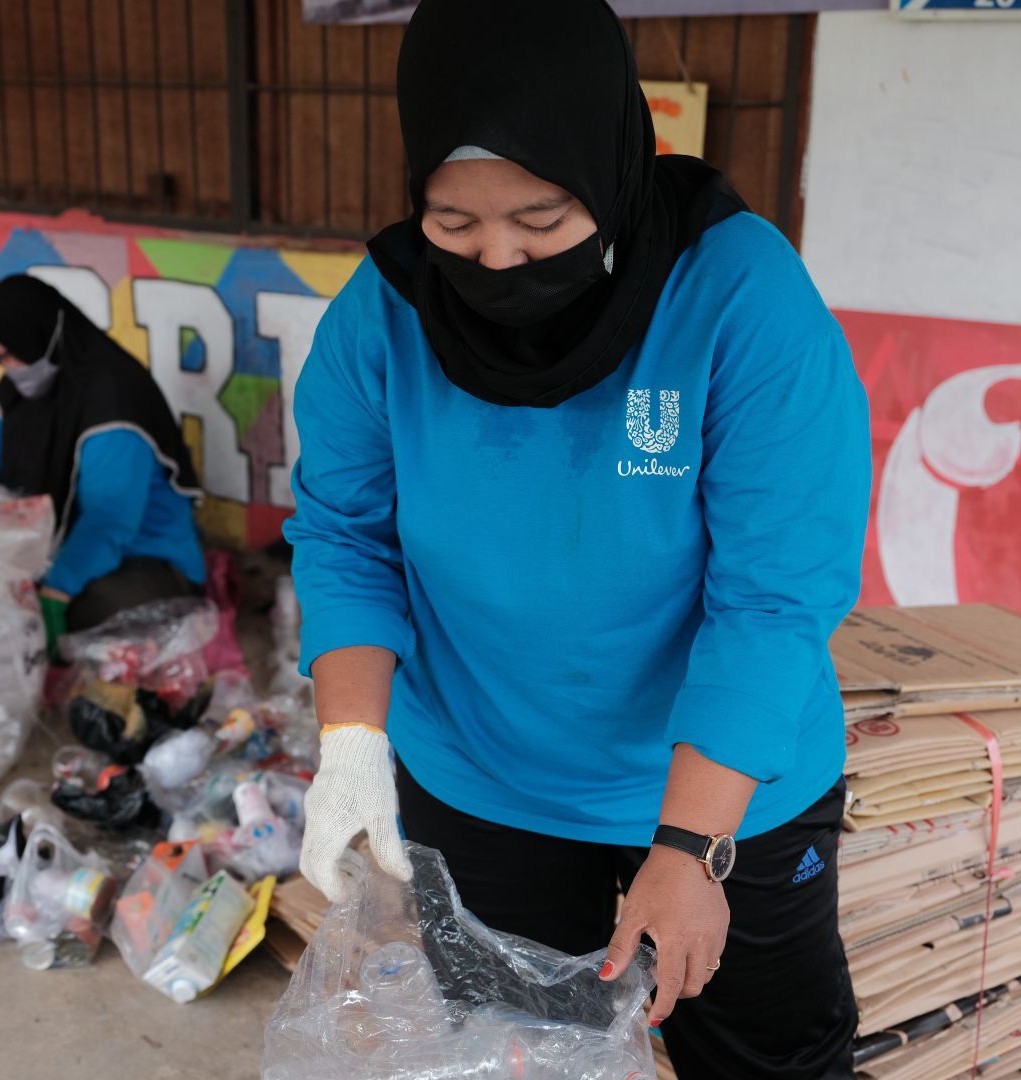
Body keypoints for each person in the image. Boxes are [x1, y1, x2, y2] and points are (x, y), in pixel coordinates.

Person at [283, 1, 871, 1077]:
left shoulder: (741, 300)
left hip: (719, 783)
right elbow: (345, 535)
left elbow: (774, 599)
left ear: (611, 166)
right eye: (453, 224)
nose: (497, 258)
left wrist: (689, 850)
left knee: (768, 1059)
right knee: (518, 1055)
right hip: (484, 775)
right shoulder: (384, 312)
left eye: (542, 220)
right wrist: (354, 745)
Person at [0, 275, 206, 643]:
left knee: (51, 621)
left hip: (146, 559)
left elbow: (109, 520)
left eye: (14, 354)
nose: (10, 367)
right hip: (66, 551)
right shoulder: (17, 394)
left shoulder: (114, 402)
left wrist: (56, 593)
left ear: (44, 337)